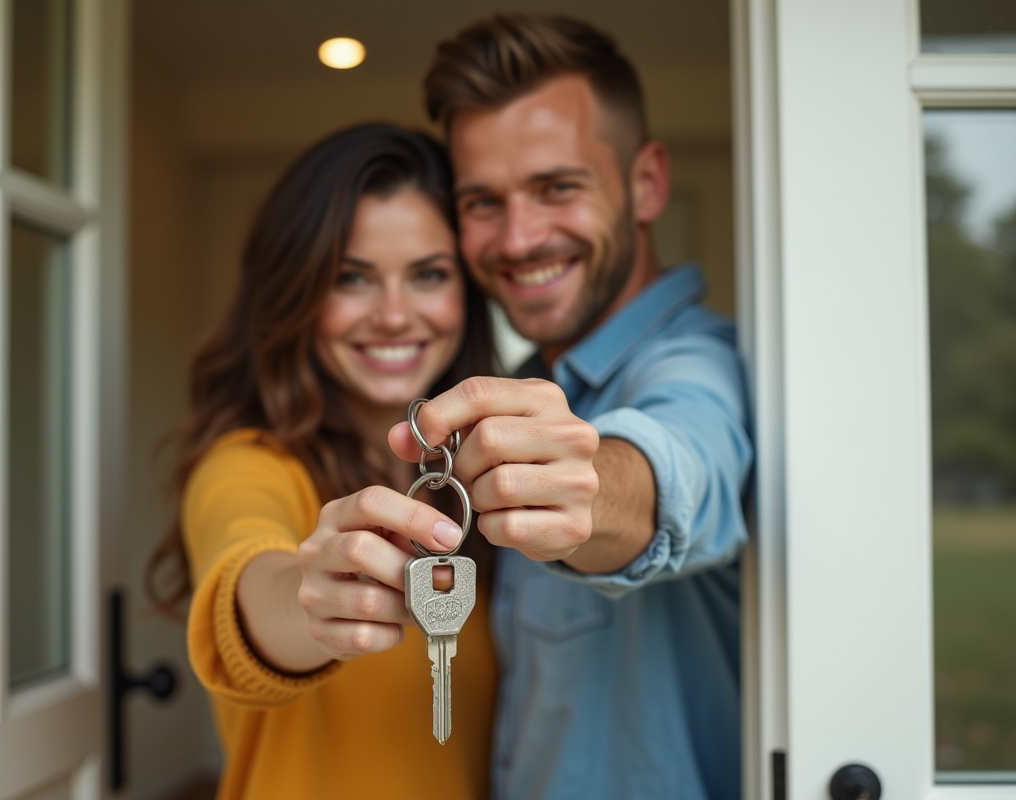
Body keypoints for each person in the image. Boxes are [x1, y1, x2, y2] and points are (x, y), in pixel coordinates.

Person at [308, 15, 754, 800]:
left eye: (557, 188)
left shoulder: (700, 362)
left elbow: (679, 459)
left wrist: (597, 487)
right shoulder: (522, 393)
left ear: (647, 182)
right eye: (483, 202)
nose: (518, 239)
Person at [146, 123, 498, 800]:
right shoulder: (248, 464)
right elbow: (250, 576)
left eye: (428, 274)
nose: (395, 316)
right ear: (296, 292)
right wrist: (311, 597)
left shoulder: (480, 476)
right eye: (351, 278)